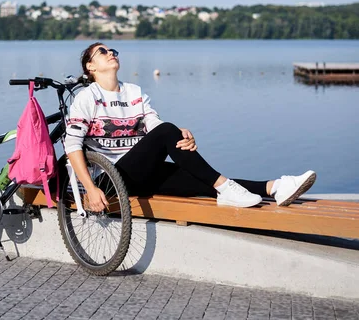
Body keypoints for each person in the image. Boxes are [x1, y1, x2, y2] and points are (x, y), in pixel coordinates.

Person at [64, 42, 316, 212]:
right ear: (90, 66)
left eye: (113, 50)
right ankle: (228, 187)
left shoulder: (134, 92)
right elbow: (72, 145)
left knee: (201, 178)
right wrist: (90, 188)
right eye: (103, 52)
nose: (111, 53)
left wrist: (178, 136)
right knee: (169, 133)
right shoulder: (88, 96)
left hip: (141, 174)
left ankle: (274, 187)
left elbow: (155, 125)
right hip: (110, 179)